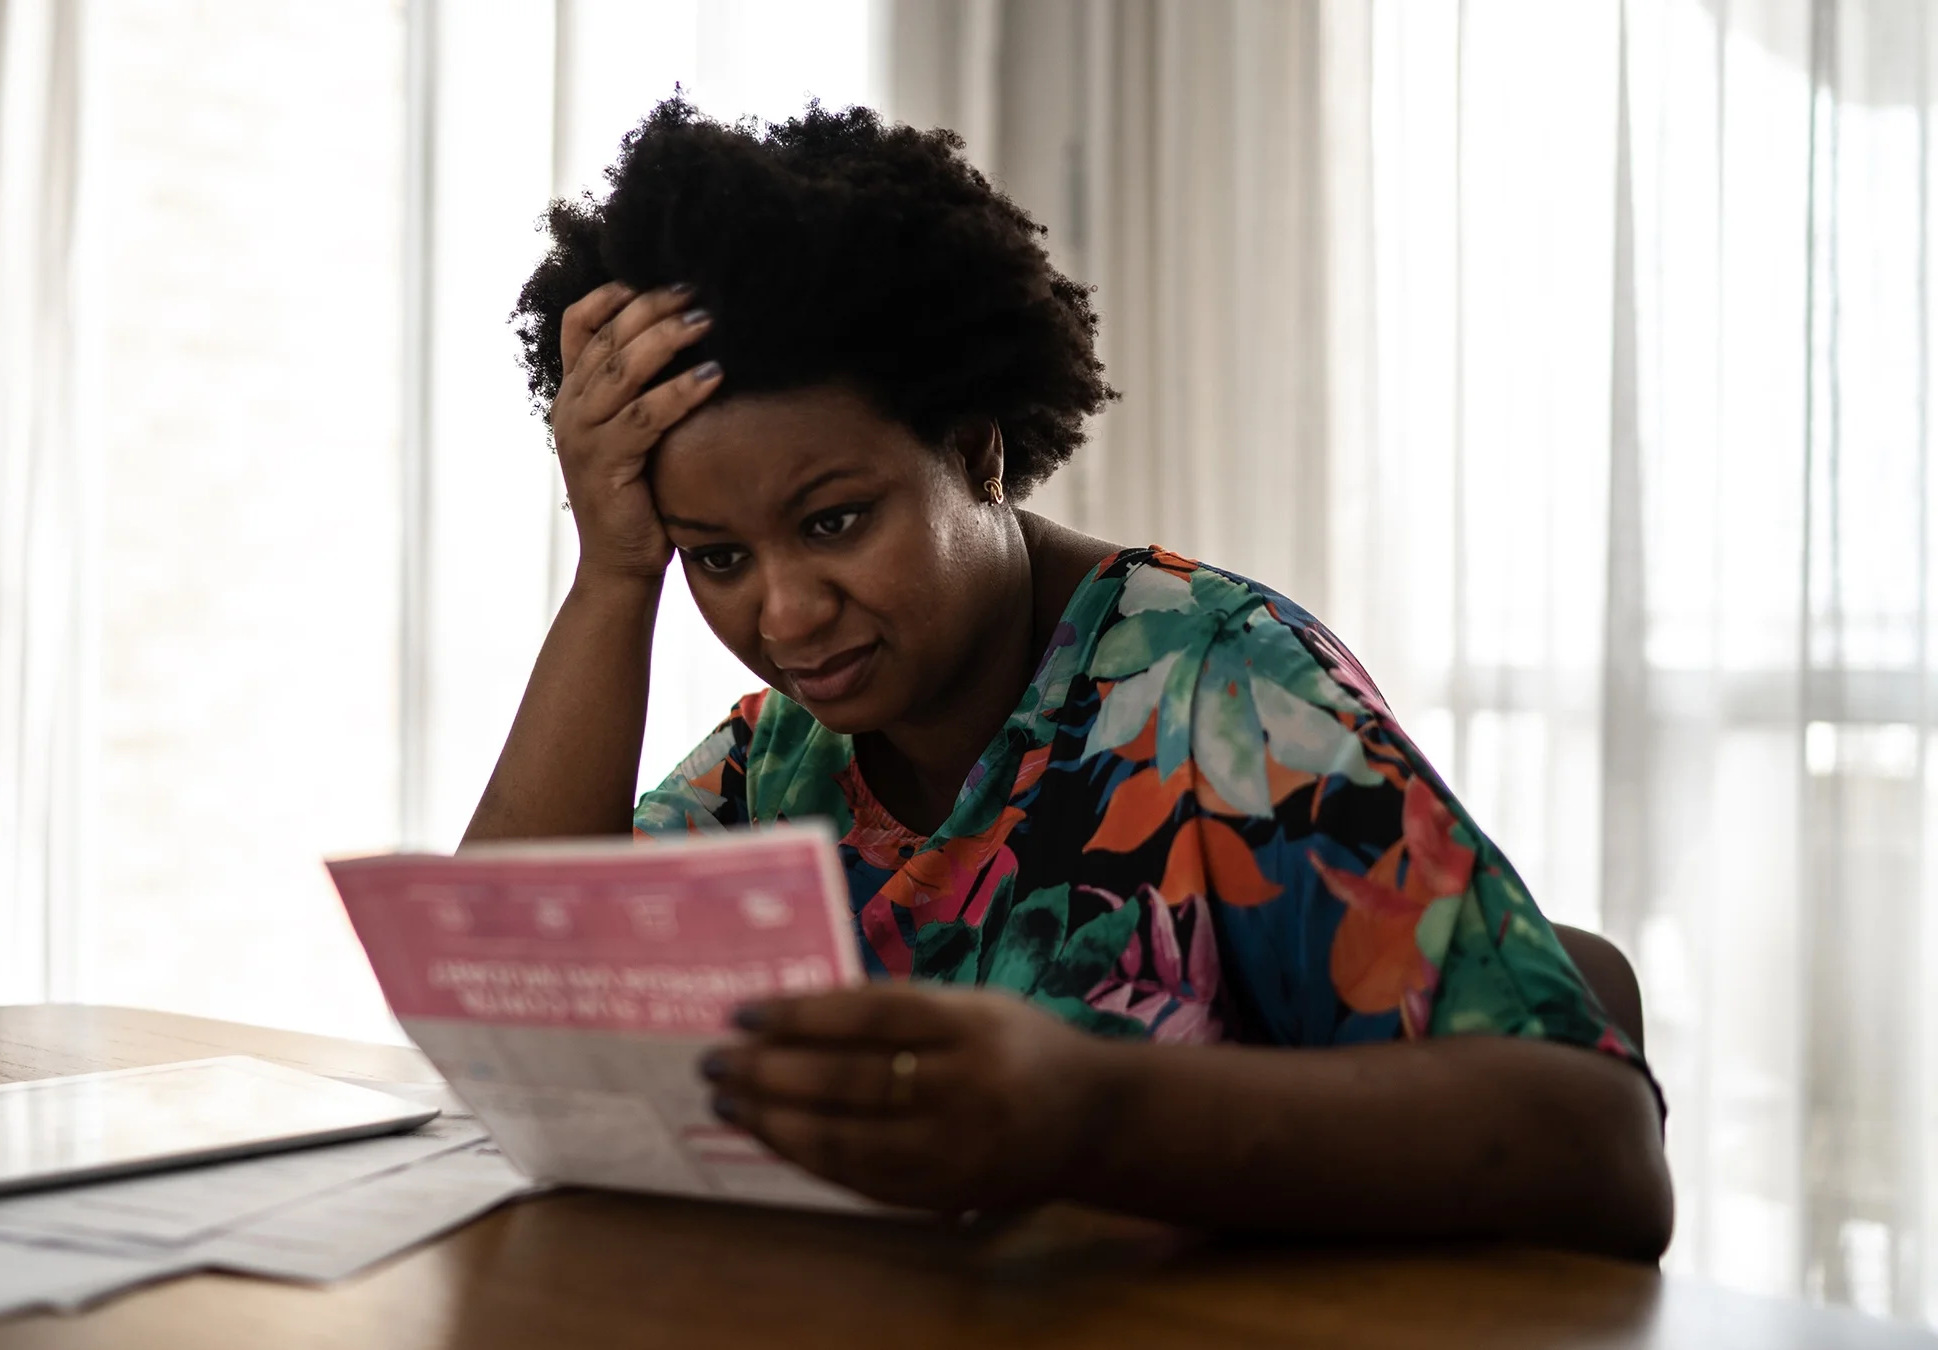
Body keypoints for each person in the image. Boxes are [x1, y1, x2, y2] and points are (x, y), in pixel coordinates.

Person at [466, 98, 1672, 1261]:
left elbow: (1603, 1148)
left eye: (834, 522)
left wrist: (1090, 1114)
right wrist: (614, 575)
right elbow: (501, 1024)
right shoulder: (781, 757)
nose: (781, 612)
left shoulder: (1218, 689)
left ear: (979, 455)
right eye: (716, 557)